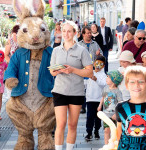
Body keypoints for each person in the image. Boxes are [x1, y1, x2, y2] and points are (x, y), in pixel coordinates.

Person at [50, 21, 93, 150]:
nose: (66, 34)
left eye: (69, 31)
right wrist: (58, 70)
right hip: (59, 90)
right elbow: (52, 71)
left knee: (72, 124)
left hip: (76, 91)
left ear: (75, 33)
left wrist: (73, 70)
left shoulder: (82, 51)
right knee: (61, 124)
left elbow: (90, 72)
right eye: (64, 31)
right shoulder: (56, 50)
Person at [84, 56, 107, 141]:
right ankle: (89, 132)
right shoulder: (90, 73)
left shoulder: (103, 75)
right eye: (96, 63)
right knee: (89, 116)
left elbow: (104, 84)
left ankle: (96, 131)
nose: (98, 66)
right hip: (90, 98)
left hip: (99, 100)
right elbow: (85, 83)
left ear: (103, 66)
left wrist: (96, 79)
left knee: (98, 117)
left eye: (100, 64)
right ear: (93, 63)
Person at [98, 70, 123, 144]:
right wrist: (100, 105)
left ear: (114, 80)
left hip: (114, 116)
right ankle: (106, 145)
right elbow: (103, 97)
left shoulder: (117, 91)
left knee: (114, 131)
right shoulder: (105, 88)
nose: (106, 78)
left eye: (108, 77)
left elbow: (120, 103)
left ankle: (115, 144)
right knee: (106, 130)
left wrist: (116, 114)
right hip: (106, 115)